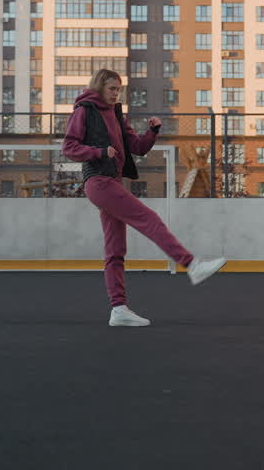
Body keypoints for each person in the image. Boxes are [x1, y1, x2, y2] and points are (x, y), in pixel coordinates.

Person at [62, 68, 227, 327]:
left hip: (112, 182)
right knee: (149, 218)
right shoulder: (85, 110)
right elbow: (69, 147)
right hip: (98, 181)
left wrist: (152, 131)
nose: (117, 94)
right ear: (99, 87)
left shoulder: (116, 114)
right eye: (112, 88)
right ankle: (191, 265)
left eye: (119, 89)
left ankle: (118, 309)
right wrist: (99, 152)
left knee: (115, 249)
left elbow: (137, 148)